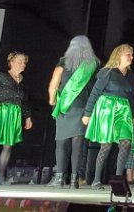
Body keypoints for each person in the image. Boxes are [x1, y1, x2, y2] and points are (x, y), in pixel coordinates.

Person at [47, 36, 99, 189]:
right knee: (78, 145)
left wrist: (52, 100)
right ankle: (74, 179)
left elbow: (53, 85)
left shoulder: (63, 63)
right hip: (84, 108)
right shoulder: (94, 64)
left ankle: (59, 178)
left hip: (66, 108)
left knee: (61, 144)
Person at [82, 44, 134, 190]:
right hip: (108, 109)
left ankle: (118, 180)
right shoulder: (107, 72)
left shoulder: (130, 75)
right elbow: (95, 92)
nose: (131, 57)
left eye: (132, 54)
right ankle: (96, 180)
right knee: (106, 145)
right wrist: (87, 113)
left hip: (124, 110)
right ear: (119, 55)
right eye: (128, 54)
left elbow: (130, 96)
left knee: (126, 142)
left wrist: (133, 115)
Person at [0, 52, 33, 184]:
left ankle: (0, 175)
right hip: (0, 112)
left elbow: (25, 102)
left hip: (14, 115)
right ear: (12, 62)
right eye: (20, 61)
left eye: (24, 62)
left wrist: (28, 117)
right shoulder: (2, 77)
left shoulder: (23, 81)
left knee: (8, 146)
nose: (23, 64)